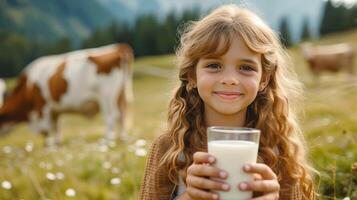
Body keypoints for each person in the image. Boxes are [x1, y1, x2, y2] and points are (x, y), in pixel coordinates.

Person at [139, 4, 315, 200]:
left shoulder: (278, 150)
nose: (230, 79)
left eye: (246, 67)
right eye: (214, 65)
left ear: (264, 79)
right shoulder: (170, 148)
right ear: (192, 76)